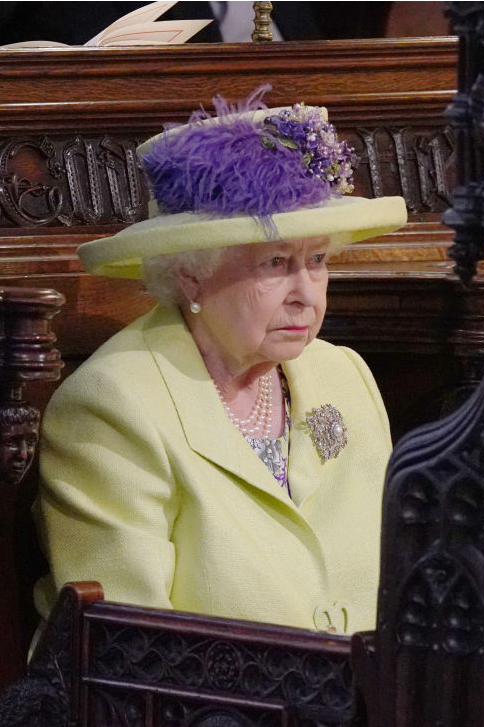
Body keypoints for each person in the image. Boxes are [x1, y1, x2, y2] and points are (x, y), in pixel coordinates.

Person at [32, 86, 407, 635]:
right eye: (276, 262)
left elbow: (403, 572)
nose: (308, 293)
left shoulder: (343, 375)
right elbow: (127, 646)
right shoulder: (111, 406)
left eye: (318, 260)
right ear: (190, 274)